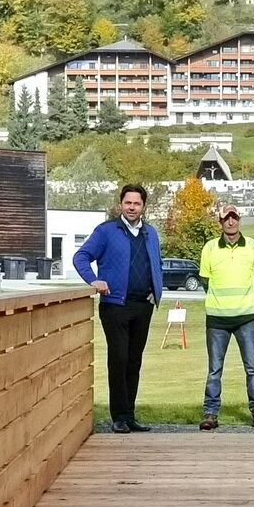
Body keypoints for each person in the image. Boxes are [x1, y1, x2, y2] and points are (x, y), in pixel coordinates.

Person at [73, 184, 163, 434]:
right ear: (120, 204)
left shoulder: (150, 233)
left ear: (144, 206)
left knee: (134, 361)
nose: (132, 207)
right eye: (128, 203)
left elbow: (157, 262)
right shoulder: (106, 231)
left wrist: (156, 289)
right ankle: (119, 417)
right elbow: (81, 257)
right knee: (119, 359)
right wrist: (93, 280)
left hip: (143, 306)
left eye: (137, 203)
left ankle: (130, 415)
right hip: (115, 306)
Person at [197, 204, 254, 430]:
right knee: (214, 369)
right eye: (226, 218)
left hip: (246, 317)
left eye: (234, 218)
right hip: (217, 318)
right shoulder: (210, 248)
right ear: (220, 222)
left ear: (239, 220)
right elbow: (205, 281)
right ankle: (210, 412)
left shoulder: (253, 246)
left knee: (252, 368)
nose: (231, 222)